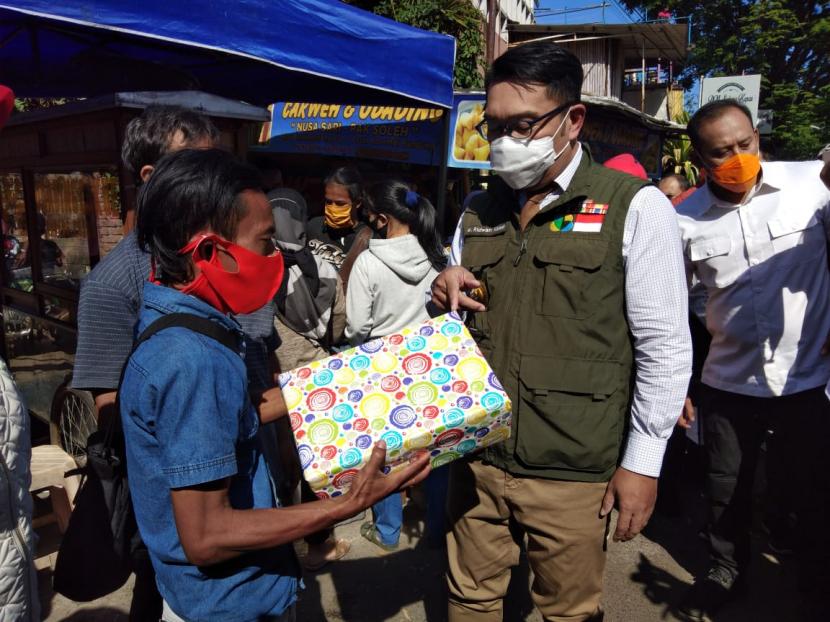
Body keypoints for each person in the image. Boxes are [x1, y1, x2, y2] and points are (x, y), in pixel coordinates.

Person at [430, 41, 691, 621]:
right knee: (467, 598)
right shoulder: (478, 210)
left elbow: (665, 347)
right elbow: (453, 322)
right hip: (477, 458)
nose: (503, 142)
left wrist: (642, 463)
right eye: (493, 126)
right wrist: (443, 285)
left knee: (567, 612)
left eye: (522, 125)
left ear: (572, 120)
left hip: (574, 470)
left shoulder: (636, 208)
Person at [120, 148, 430, 622]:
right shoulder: (191, 359)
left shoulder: (180, 319)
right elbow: (207, 535)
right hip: (233, 608)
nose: (277, 257)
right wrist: (346, 505)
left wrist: (350, 376)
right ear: (209, 252)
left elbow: (236, 414)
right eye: (266, 243)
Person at [675, 99, 830, 620]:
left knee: (810, 485)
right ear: (700, 160)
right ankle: (726, 568)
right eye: (723, 152)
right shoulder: (684, 220)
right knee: (724, 486)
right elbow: (673, 308)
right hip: (728, 379)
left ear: (758, 136)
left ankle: (813, 570)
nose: (739, 157)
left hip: (809, 378)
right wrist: (681, 385)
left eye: (746, 144)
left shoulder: (812, 186)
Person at [70, 105, 220, 622]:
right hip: (171, 509)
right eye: (198, 168)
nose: (214, 183)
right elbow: (109, 407)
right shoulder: (112, 284)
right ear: (152, 178)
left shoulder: (215, 259)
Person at [345, 181, 447, 550]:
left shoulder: (368, 263)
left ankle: (387, 530)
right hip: (431, 365)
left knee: (385, 452)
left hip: (382, 370)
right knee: (437, 449)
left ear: (383, 220)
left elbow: (357, 326)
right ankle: (436, 528)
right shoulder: (439, 257)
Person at [269, 186, 351, 572]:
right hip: (317, 375)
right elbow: (338, 325)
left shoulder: (261, 267)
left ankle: (281, 545)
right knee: (317, 466)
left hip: (274, 382)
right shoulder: (326, 268)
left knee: (282, 467)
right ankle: (320, 542)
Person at [307, 166, 369, 253]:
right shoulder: (314, 226)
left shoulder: (367, 238)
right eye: (328, 202)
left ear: (357, 203)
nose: (333, 208)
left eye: (340, 204)